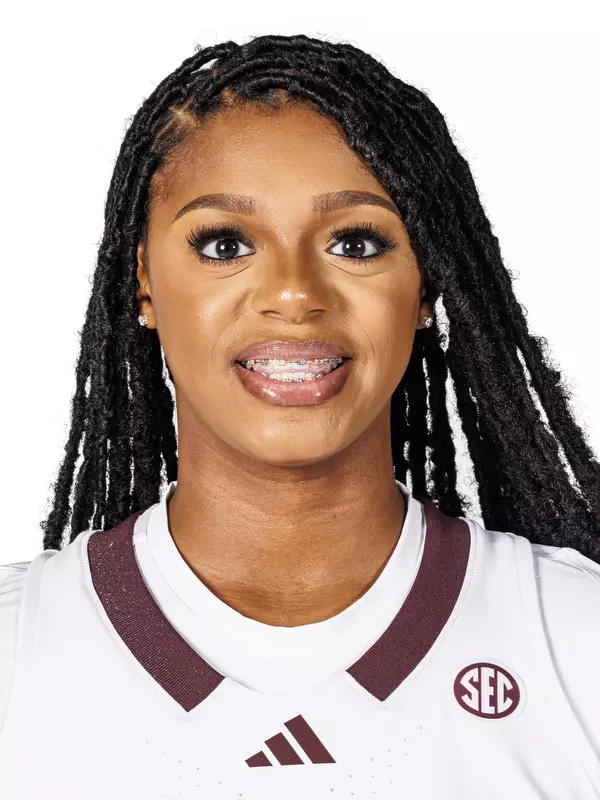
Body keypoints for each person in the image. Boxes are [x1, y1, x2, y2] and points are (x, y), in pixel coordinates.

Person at [0, 32, 599, 800]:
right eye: (225, 244)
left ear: (424, 285)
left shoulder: (574, 642)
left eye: (356, 242)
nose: (294, 293)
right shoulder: (18, 653)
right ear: (143, 281)